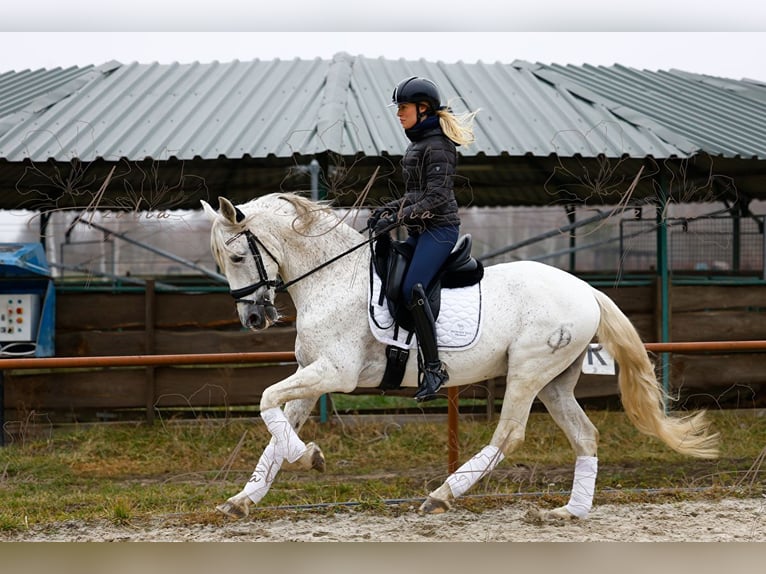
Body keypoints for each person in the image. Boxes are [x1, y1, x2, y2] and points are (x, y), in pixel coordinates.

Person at [368, 76, 478, 402]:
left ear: (423, 108)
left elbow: (435, 198)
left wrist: (398, 217)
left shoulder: (440, 146)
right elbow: (413, 194)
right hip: (420, 230)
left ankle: (433, 368)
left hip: (440, 231)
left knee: (410, 287)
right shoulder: (417, 144)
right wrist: (385, 211)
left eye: (403, 107)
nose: (398, 113)